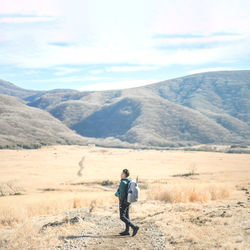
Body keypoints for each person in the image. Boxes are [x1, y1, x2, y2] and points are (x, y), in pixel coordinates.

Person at [115, 169, 139, 236]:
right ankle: (127, 230)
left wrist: (120, 201)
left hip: (123, 201)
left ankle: (134, 227)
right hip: (128, 200)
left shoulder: (123, 182)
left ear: (124, 175)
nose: (121, 174)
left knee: (122, 217)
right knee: (126, 216)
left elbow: (122, 194)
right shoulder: (129, 180)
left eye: (122, 173)